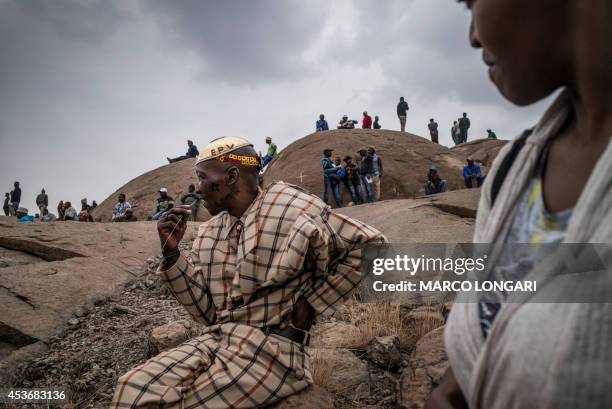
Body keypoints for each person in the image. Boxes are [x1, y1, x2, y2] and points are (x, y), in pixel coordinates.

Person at [427, 2, 612, 407]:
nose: (473, 36)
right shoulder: (514, 170)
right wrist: (455, 385)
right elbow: (494, 316)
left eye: (472, 2)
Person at [111, 136, 385, 408]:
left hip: (273, 350)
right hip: (218, 340)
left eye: (202, 177)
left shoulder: (292, 207)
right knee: (131, 388)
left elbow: (372, 244)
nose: (197, 189)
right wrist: (172, 253)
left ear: (231, 176)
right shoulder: (210, 231)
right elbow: (208, 315)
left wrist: (308, 307)